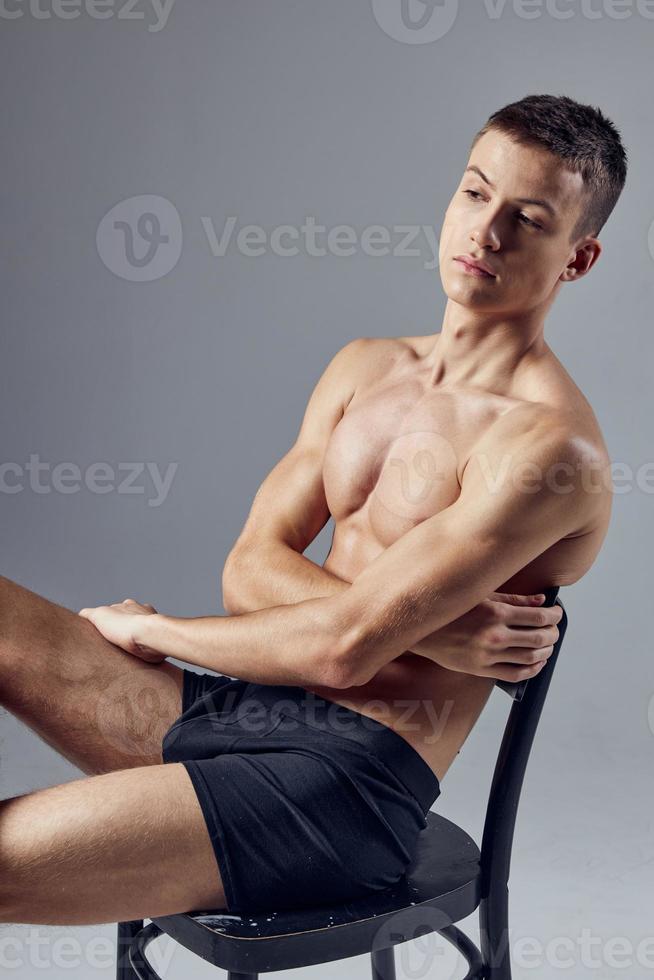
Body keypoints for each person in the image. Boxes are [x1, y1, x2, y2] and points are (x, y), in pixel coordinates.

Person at [0, 93, 625, 925]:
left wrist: (155, 633)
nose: (485, 232)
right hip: (242, 711)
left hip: (342, 791)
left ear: (576, 259)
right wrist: (431, 630)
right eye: (475, 194)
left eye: (528, 218)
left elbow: (342, 653)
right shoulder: (364, 368)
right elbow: (246, 571)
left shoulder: (550, 451)